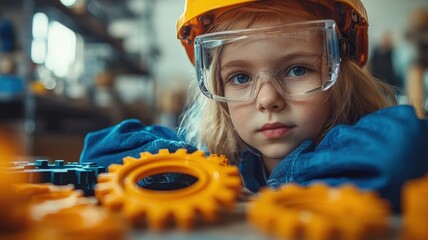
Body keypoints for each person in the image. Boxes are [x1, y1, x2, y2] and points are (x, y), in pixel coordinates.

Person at [80, 0, 428, 211]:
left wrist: (284, 184)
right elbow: (98, 153)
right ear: (216, 87)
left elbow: (403, 152)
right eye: (241, 78)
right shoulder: (221, 160)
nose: (268, 100)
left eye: (297, 69)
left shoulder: (370, 146)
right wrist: (207, 173)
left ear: (341, 70)